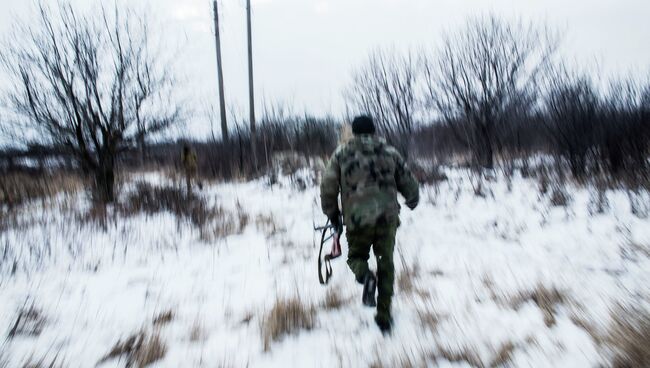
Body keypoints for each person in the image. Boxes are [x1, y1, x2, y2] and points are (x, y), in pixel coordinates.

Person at [320, 115, 419, 334]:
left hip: (357, 221)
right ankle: (384, 316)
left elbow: (327, 187)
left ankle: (366, 276)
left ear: (353, 133)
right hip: (387, 220)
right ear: (374, 131)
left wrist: (333, 214)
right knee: (386, 264)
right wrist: (412, 199)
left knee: (355, 258)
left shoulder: (341, 155)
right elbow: (408, 182)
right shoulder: (390, 153)